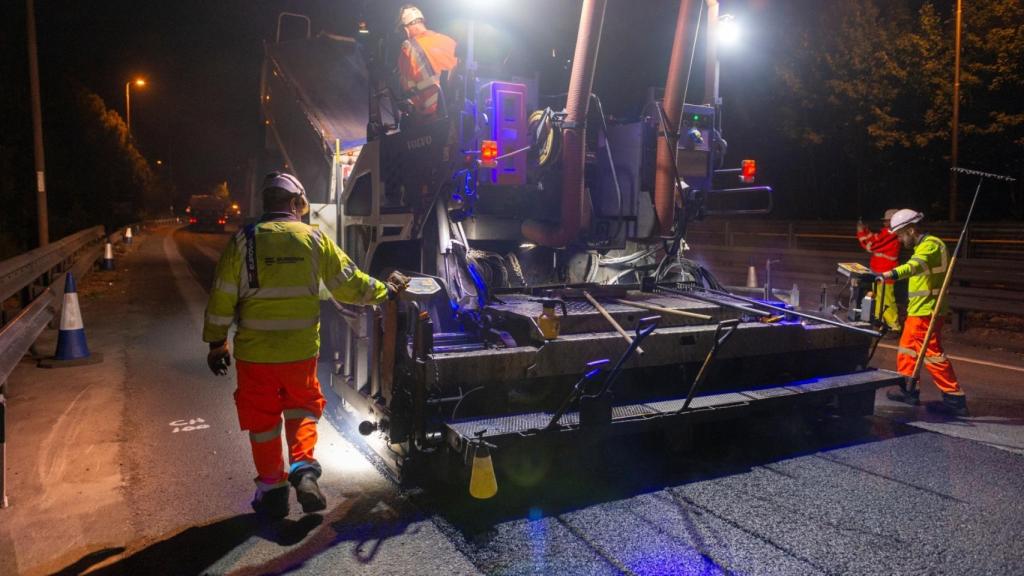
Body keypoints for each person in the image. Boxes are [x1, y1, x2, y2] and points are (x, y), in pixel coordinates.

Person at [203, 172, 409, 518]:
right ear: (297, 203)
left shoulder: (243, 242)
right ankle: (304, 472)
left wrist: (216, 343)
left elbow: (221, 296)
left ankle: (272, 490)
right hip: (300, 353)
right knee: (301, 410)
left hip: (255, 357)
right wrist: (385, 291)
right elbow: (349, 284)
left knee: (263, 423)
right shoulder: (313, 238)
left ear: (265, 203)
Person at [880, 209, 967, 416]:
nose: (899, 240)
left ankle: (954, 398)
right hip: (918, 310)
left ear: (911, 230)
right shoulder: (923, 246)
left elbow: (913, 267)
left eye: (900, 235)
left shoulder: (931, 245)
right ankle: (908, 389)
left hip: (927, 311)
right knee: (908, 350)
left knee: (932, 354)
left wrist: (888, 274)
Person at [397, 4, 458, 122]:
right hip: (456, 112)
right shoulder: (449, 41)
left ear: (405, 29)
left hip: (430, 118)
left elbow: (407, 89)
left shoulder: (408, 49)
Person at [857, 209, 901, 331]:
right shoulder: (887, 232)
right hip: (878, 271)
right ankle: (881, 323)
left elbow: (872, 246)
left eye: (887, 221)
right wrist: (865, 230)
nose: (884, 223)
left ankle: (894, 327)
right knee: (878, 298)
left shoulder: (893, 235)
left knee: (886, 300)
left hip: (886, 272)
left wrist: (860, 232)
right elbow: (874, 239)